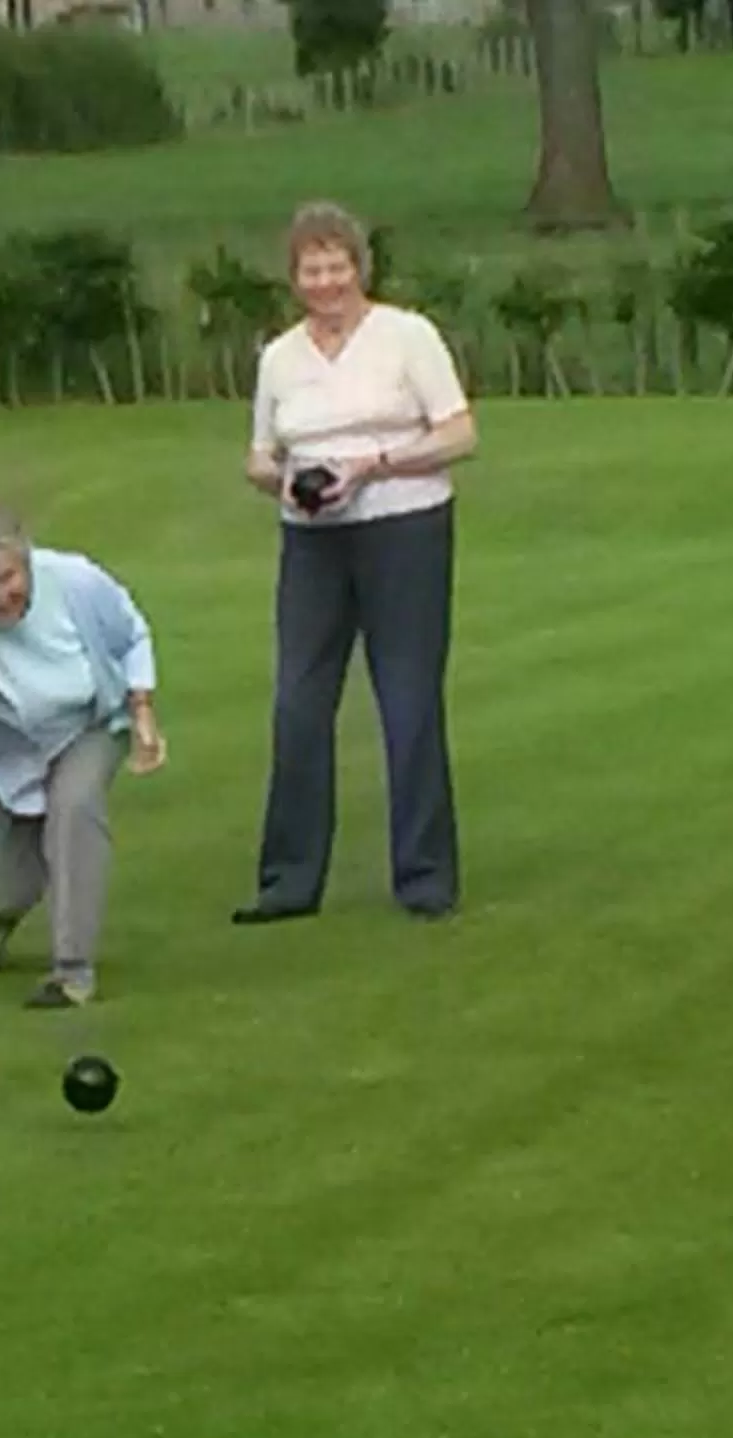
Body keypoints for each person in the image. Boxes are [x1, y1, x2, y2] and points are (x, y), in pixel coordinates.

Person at [234, 199, 479, 926]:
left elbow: (461, 433)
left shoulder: (407, 337)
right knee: (299, 701)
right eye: (312, 268)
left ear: (359, 268)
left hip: (404, 526)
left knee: (406, 697)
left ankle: (426, 876)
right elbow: (258, 453)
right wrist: (287, 482)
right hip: (312, 538)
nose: (326, 281)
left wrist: (374, 465)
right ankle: (288, 880)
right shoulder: (280, 357)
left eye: (337, 265)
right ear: (294, 276)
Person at [0, 500, 168, 1009]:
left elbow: (132, 635)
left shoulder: (75, 580)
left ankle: (72, 971)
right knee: (6, 883)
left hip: (85, 724)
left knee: (74, 812)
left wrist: (143, 710)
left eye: (8, 577)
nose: (0, 596)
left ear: (26, 559)